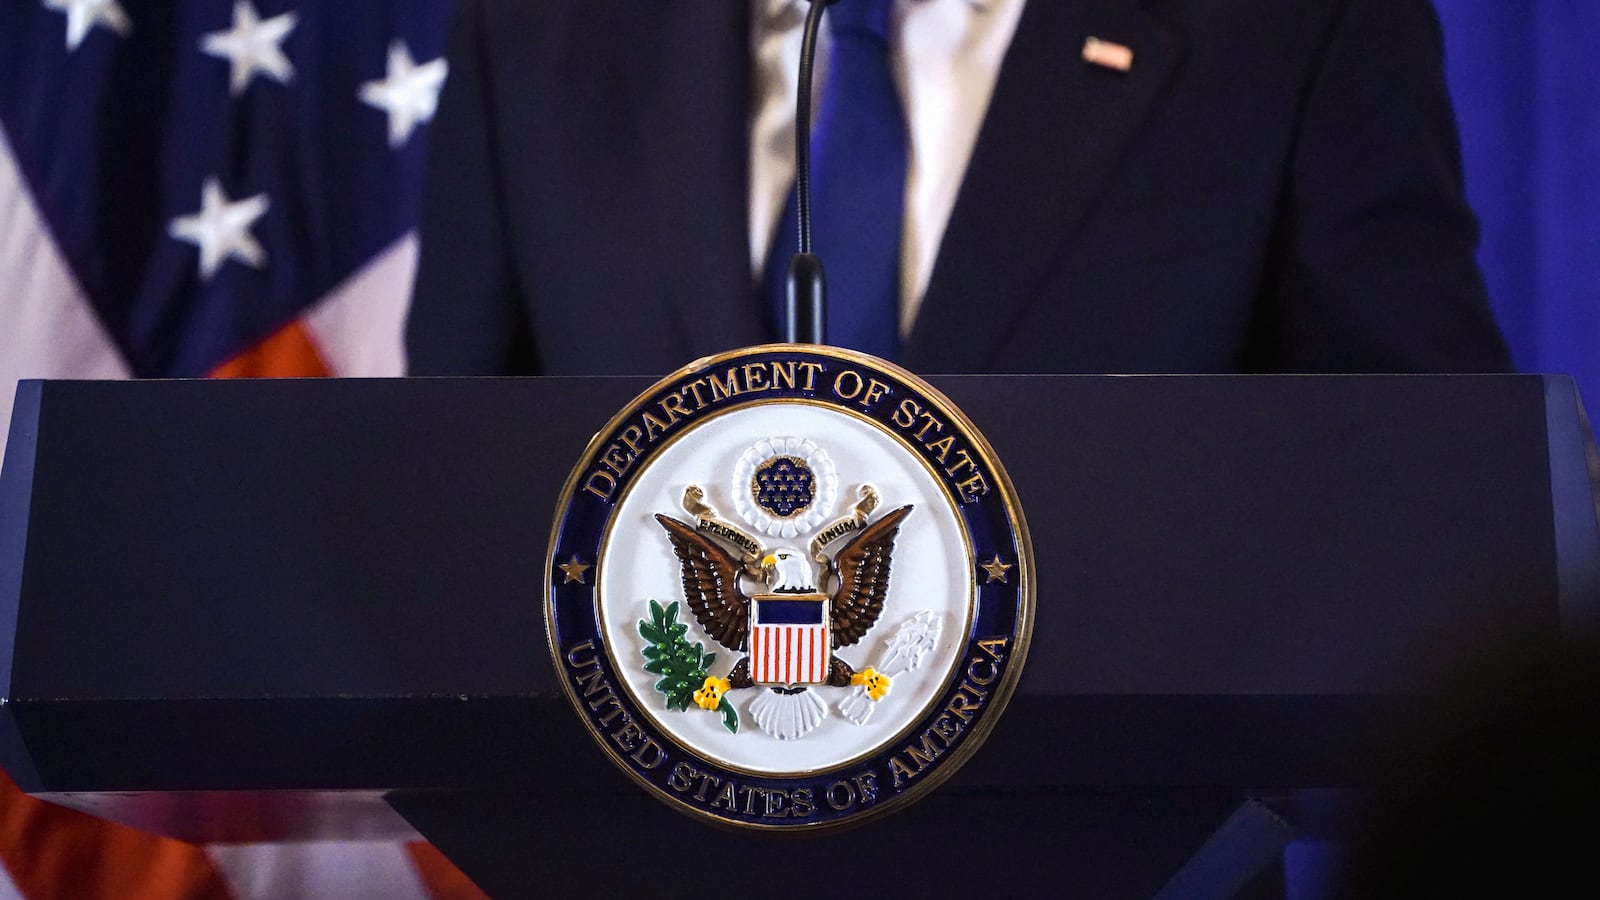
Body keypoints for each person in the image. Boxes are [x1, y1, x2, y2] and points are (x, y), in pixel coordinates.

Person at [405, 0, 1511, 378]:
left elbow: (1410, 461)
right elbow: (456, 470)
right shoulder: (542, 31)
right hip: (632, 835)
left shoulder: (1287, 27)